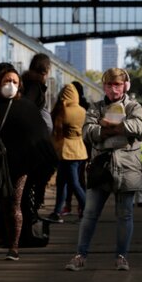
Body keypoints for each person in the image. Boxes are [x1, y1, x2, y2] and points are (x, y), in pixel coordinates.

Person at [65, 68, 142, 272]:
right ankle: (80, 255)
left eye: (117, 84)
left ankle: (121, 257)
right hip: (101, 167)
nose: (113, 89)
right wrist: (117, 129)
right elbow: (87, 132)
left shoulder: (134, 106)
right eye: (109, 85)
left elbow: (140, 128)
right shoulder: (95, 107)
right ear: (104, 86)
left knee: (125, 215)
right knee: (90, 214)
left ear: (125, 85)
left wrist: (109, 126)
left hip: (127, 168)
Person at [0, 62, 54, 260]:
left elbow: (39, 137)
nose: (11, 84)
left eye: (15, 81)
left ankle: (14, 247)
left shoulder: (26, 106)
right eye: (7, 80)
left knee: (14, 204)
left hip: (20, 165)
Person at [46, 84, 87, 224]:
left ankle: (87, 210)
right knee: (61, 182)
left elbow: (55, 131)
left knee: (73, 183)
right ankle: (57, 212)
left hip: (68, 151)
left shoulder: (63, 111)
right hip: (80, 150)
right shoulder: (82, 111)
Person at [21, 53, 57, 211]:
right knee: (43, 168)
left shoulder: (31, 83)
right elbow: (28, 107)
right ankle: (31, 208)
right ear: (46, 69)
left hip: (33, 140)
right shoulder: (34, 86)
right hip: (33, 142)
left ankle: (32, 203)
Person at [61, 81, 91, 216]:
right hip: (84, 149)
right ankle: (81, 207)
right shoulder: (86, 107)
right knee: (79, 179)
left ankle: (70, 205)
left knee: (70, 180)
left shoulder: (67, 109)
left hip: (70, 148)